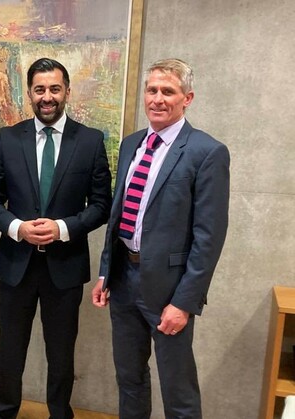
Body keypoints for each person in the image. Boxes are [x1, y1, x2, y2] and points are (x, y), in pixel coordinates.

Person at [91, 58, 230, 418]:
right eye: (151, 90)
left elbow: (209, 237)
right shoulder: (132, 144)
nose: (157, 98)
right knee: (129, 379)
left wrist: (184, 302)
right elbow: (119, 215)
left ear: (187, 98)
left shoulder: (206, 152)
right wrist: (106, 271)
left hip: (168, 289)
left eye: (168, 91)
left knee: (178, 389)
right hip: (123, 282)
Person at [0, 57, 112, 419]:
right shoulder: (8, 138)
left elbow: (102, 204)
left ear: (67, 92)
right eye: (39, 89)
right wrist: (17, 227)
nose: (47, 96)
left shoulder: (89, 141)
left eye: (55, 89)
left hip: (65, 266)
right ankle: (4, 412)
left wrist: (62, 228)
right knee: (9, 350)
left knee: (61, 354)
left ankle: (60, 413)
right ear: (29, 93)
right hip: (15, 266)